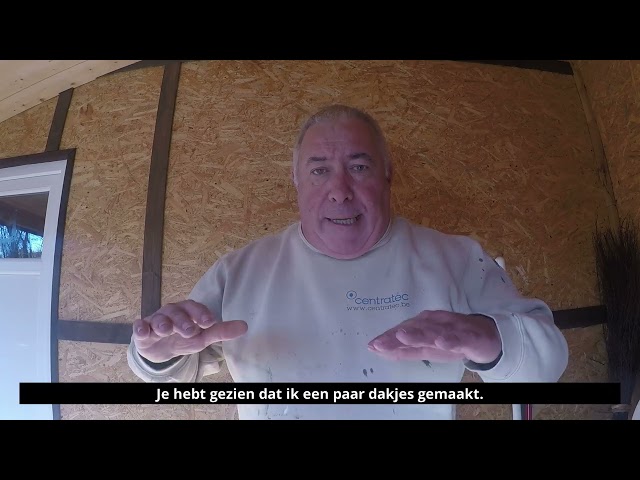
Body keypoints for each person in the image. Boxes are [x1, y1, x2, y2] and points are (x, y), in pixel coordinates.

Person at [127, 104, 569, 420]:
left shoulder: (456, 258)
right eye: (319, 170)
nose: (340, 191)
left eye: (358, 167)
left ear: (387, 174)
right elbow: (173, 372)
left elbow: (545, 362)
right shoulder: (239, 271)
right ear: (296, 180)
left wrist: (487, 337)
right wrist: (157, 355)